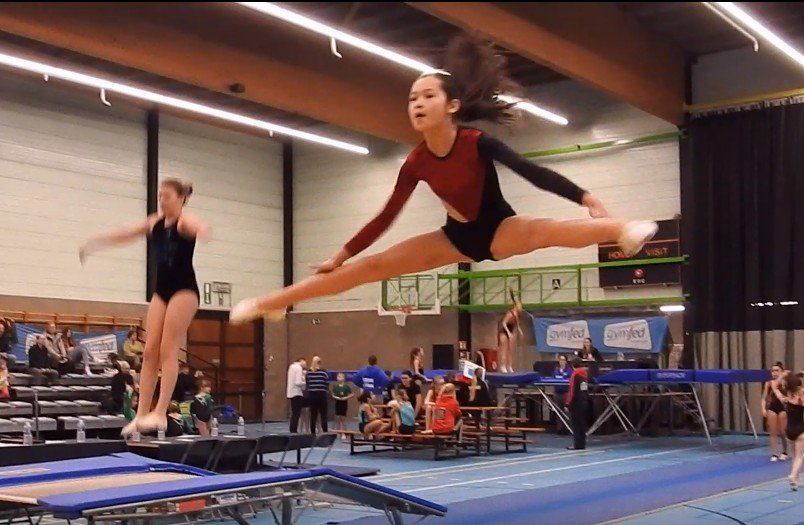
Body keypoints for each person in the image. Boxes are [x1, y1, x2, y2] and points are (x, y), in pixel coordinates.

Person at [229, 35, 657, 324]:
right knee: (369, 268)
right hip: (454, 238)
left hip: (499, 229)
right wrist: (339, 256)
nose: (417, 103)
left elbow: (532, 172)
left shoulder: (476, 142)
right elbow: (386, 218)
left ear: (451, 106)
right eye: (412, 98)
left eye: (428, 95)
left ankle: (622, 228)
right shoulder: (415, 162)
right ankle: (270, 303)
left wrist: (585, 196)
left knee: (547, 231)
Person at [80, 178, 210, 436]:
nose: (162, 200)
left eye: (167, 196)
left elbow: (196, 224)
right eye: (160, 196)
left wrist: (203, 228)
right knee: (150, 351)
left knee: (167, 349)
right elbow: (125, 234)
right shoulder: (154, 223)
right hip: (162, 290)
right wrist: (95, 243)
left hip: (184, 291)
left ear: (181, 199)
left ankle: (160, 413)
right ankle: (141, 416)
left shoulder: (184, 222)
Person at [771, 371, 804, 491]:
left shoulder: (786, 399)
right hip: (800, 430)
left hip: (789, 430)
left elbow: (775, 387)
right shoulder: (801, 399)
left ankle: (795, 482)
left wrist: (782, 375)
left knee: (795, 456)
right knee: (799, 456)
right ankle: (792, 475)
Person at [762, 362, 788, 461]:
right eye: (773, 371)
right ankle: (774, 453)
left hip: (783, 408)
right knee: (773, 432)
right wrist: (763, 408)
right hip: (772, 408)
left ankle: (785, 451)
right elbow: (764, 397)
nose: (774, 373)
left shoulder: (785, 383)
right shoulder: (768, 383)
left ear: (782, 372)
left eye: (777, 370)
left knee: (783, 431)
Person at [565, 358, 590, 450]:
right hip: (584, 400)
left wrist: (567, 403)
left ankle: (577, 444)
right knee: (582, 423)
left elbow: (572, 391)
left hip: (575, 403)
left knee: (576, 425)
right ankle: (582, 444)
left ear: (572, 365)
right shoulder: (584, 374)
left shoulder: (575, 374)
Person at [497, 287, 523, 373]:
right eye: (519, 306)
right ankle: (502, 366)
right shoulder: (510, 313)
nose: (521, 308)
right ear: (516, 306)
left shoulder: (517, 314)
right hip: (504, 331)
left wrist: (519, 330)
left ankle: (509, 366)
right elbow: (504, 323)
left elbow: (517, 324)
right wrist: (508, 332)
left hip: (511, 331)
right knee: (504, 349)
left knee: (510, 350)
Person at [306, 356, 330, 434]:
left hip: (313, 395)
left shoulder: (308, 373)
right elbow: (327, 384)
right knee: (323, 415)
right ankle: (324, 432)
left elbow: (307, 384)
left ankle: (313, 433)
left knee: (314, 415)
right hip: (321, 395)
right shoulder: (323, 373)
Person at [286, 357, 307, 433]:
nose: (305, 364)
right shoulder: (299, 368)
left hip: (291, 393)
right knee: (297, 413)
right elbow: (298, 382)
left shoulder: (291, 367)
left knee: (294, 413)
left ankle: (292, 429)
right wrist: (305, 382)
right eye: (305, 362)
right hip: (297, 393)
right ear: (301, 361)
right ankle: (294, 430)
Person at [331, 372, 353, 441]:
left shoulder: (346, 387)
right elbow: (332, 395)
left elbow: (352, 394)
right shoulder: (335, 387)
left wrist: (346, 397)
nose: (339, 378)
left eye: (341, 377)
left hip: (344, 403)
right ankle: (338, 432)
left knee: (343, 418)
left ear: (344, 378)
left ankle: (344, 432)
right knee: (338, 417)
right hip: (338, 403)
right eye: (338, 376)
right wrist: (337, 397)